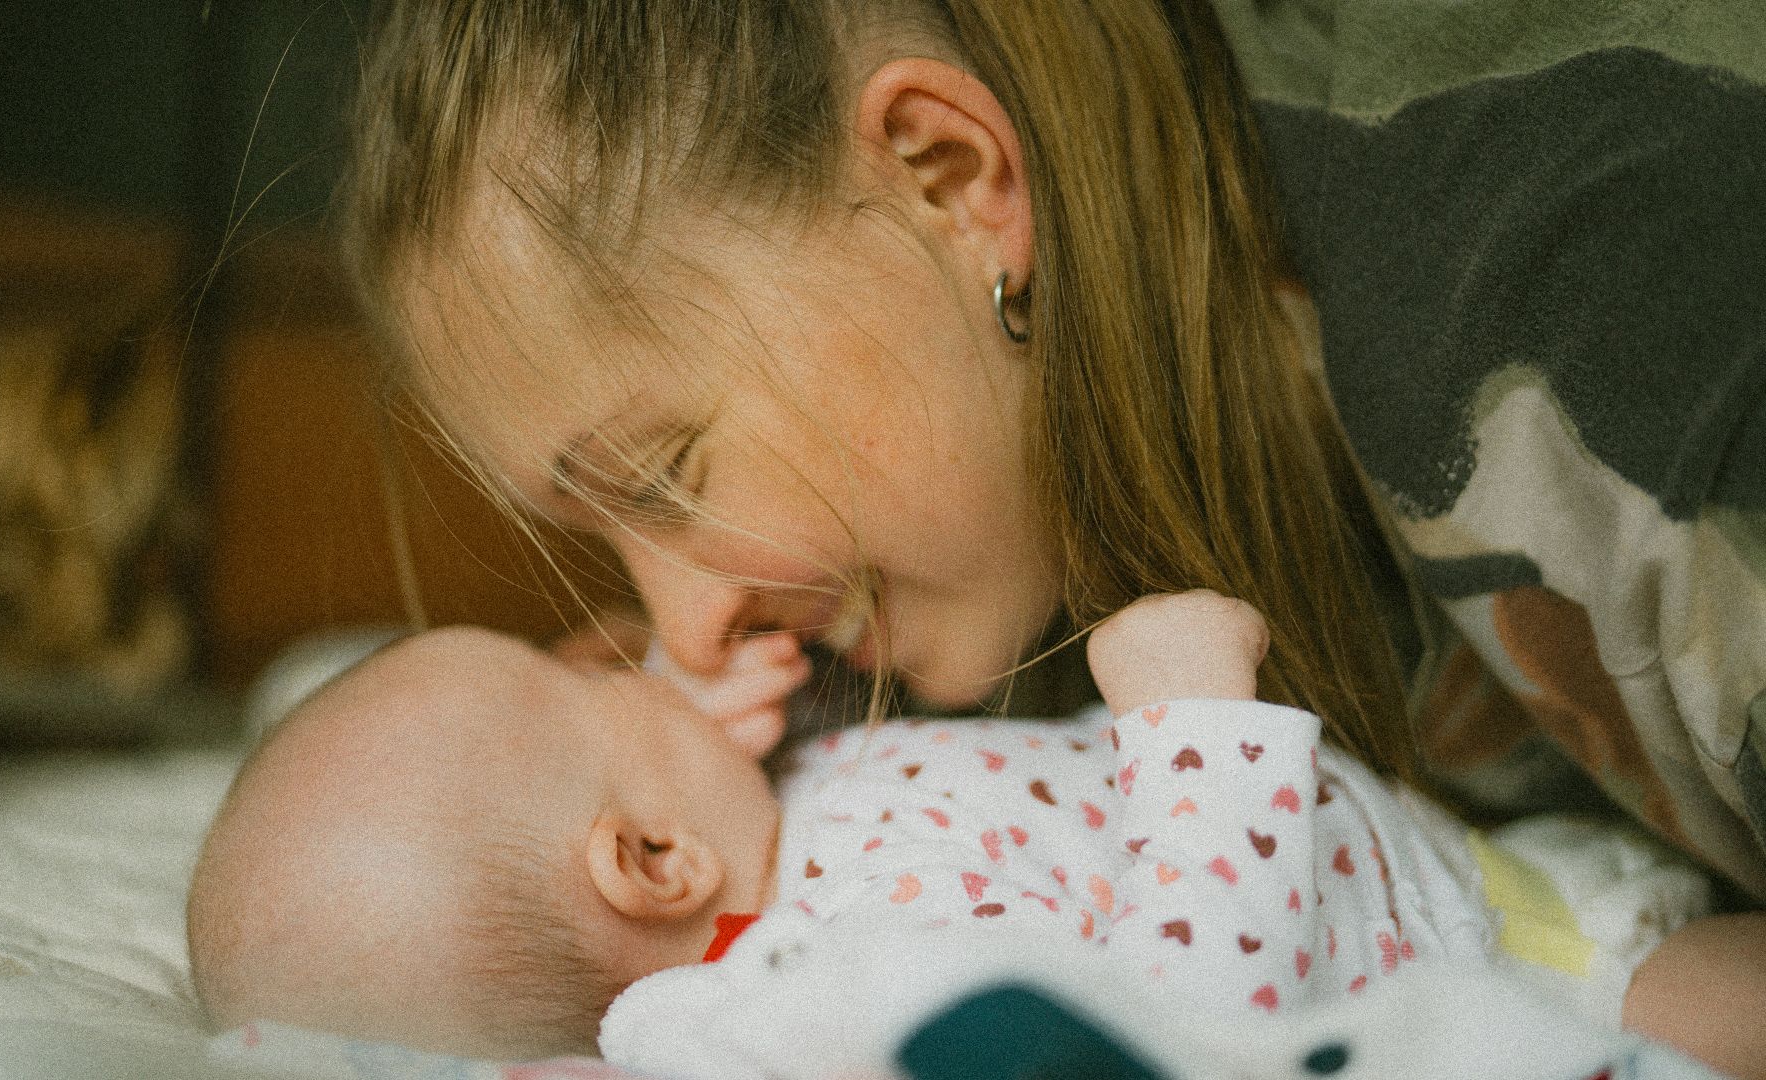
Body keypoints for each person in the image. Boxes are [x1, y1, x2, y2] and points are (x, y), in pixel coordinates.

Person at [337, 0, 1766, 1067]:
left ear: (952, 184)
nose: (687, 626)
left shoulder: (1587, 308)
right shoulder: (1025, 535)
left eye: (669, 475)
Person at [186, 592, 1733, 1071]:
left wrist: (682, 697)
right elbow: (1194, 1014)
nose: (646, 665)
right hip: (1515, 979)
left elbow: (628, 774)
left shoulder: (763, 843)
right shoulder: (861, 968)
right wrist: (1194, 723)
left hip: (1457, 869)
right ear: (653, 861)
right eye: (594, 686)